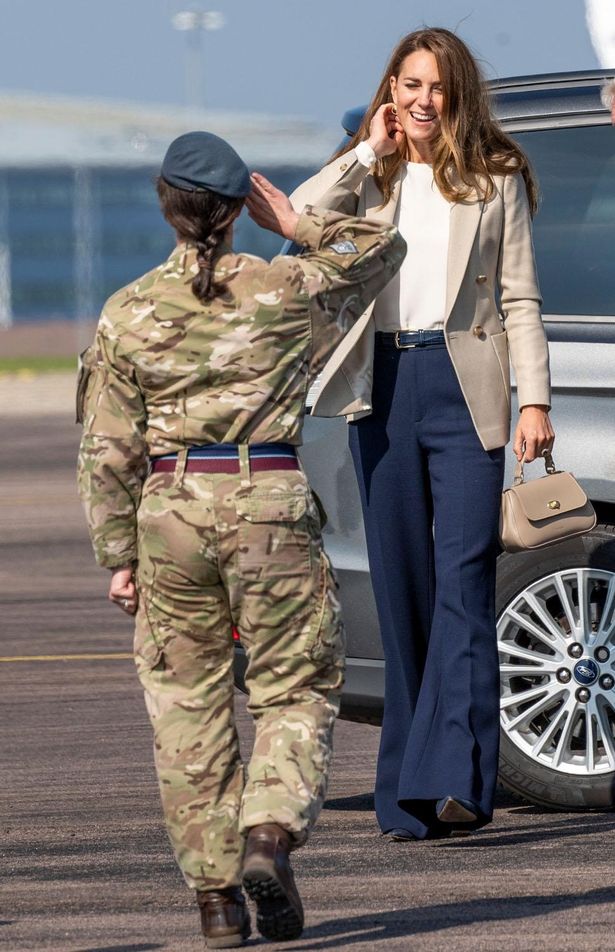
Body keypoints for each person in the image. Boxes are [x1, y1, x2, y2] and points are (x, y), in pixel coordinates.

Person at [77, 131, 405, 948]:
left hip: (171, 510)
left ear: (166, 205)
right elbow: (379, 247)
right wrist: (292, 222)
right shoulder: (285, 287)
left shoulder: (128, 312)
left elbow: (106, 449)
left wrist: (117, 556)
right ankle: (268, 836)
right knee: (292, 687)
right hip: (268, 500)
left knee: (187, 707)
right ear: (232, 212)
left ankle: (216, 902)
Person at [290, 28, 555, 841]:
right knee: (401, 581)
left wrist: (534, 401)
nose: (421, 99)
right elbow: (297, 219)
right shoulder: (371, 175)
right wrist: (363, 153)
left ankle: (460, 779)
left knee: (463, 580)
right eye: (408, 84)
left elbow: (518, 299)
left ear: (456, 93)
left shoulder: (495, 177)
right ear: (389, 91)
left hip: (463, 387)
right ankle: (405, 789)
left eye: (436, 86)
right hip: (383, 386)